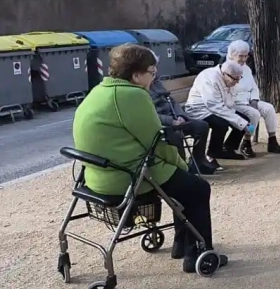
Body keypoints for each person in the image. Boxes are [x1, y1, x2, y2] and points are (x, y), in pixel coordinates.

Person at [71, 44, 228, 273]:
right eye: (151, 73)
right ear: (136, 75)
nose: (154, 78)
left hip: (97, 175)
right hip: (126, 177)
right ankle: (197, 252)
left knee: (184, 185)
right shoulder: (133, 95)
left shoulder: (99, 90)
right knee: (197, 188)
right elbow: (156, 142)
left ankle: (181, 244)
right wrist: (182, 165)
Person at [226, 40, 280, 156]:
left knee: (268, 108)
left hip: (250, 100)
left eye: (246, 56)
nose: (244, 59)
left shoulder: (246, 69)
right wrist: (246, 103)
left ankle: (272, 140)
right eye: (241, 56)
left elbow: (254, 87)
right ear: (232, 54)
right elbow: (229, 91)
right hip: (236, 103)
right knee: (254, 114)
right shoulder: (227, 69)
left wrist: (254, 100)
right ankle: (246, 141)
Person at [149, 72, 217, 175]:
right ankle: (182, 167)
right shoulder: (139, 89)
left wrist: (180, 116)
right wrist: (171, 121)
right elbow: (151, 115)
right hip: (160, 123)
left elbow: (172, 101)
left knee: (201, 126)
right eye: (151, 70)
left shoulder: (156, 83)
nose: (154, 72)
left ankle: (198, 161)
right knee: (176, 135)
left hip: (174, 118)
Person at [184, 61, 251, 160]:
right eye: (235, 79)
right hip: (199, 110)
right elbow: (214, 106)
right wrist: (240, 122)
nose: (237, 82)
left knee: (244, 119)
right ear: (225, 74)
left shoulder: (228, 78)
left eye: (239, 78)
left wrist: (244, 123)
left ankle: (228, 148)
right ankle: (213, 154)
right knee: (221, 124)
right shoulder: (209, 78)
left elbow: (228, 104)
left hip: (218, 108)